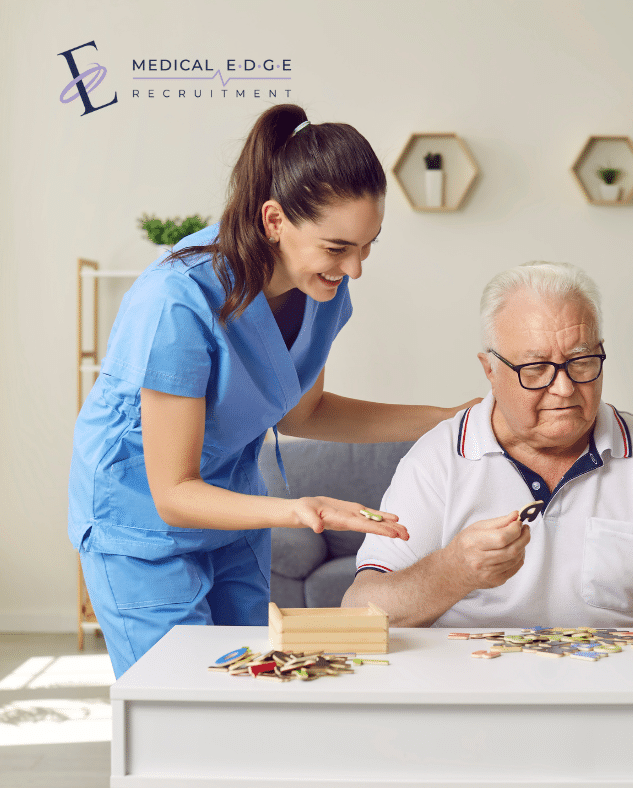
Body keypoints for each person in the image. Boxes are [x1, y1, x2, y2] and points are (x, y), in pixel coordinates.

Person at [69, 104, 476, 677]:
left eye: (367, 246)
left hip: (230, 506)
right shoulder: (176, 303)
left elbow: (302, 412)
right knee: (183, 699)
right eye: (337, 248)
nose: (355, 269)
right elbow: (173, 492)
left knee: (249, 686)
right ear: (274, 220)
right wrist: (298, 509)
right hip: (140, 521)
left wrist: (449, 417)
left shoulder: (322, 292)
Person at [345, 261, 633, 632]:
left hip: (616, 691)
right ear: (490, 370)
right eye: (535, 369)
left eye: (582, 361)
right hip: (478, 692)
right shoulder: (438, 457)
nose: (564, 389)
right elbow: (358, 610)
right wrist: (452, 571)